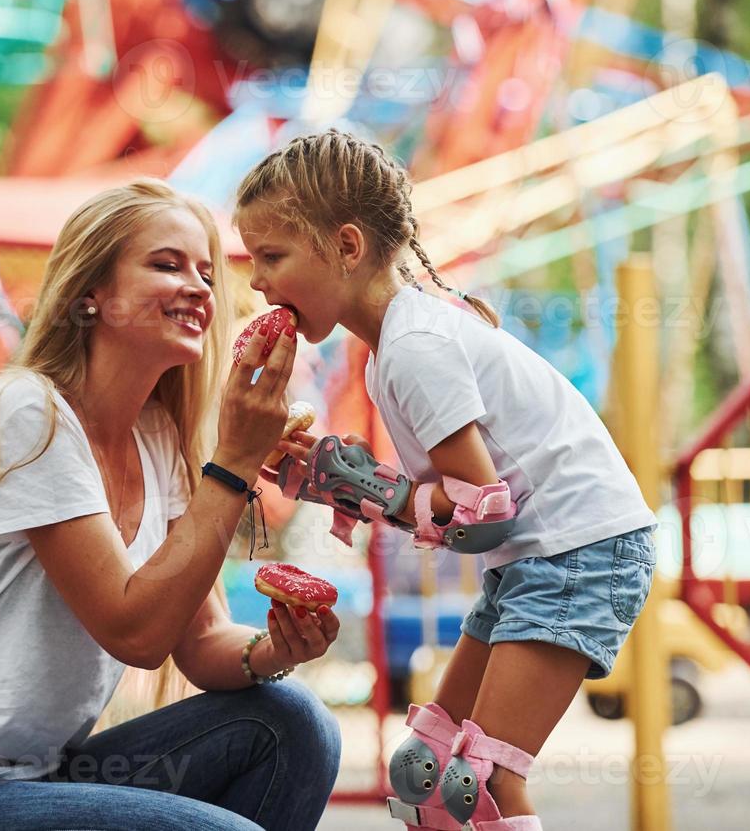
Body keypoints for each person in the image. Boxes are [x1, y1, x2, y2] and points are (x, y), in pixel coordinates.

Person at [0, 180, 342, 831]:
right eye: (166, 264)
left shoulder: (160, 440)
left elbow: (205, 639)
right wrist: (236, 463)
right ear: (90, 296)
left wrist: (277, 647)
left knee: (296, 725)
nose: (198, 287)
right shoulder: (27, 412)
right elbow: (135, 632)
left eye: (206, 274)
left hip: (44, 777)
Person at [234, 131, 657, 831]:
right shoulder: (386, 352)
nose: (256, 280)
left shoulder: (414, 346)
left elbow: (481, 510)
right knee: (426, 777)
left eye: (271, 256)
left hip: (581, 552)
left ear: (346, 247)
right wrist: (331, 479)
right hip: (534, 559)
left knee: (478, 784)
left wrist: (369, 486)